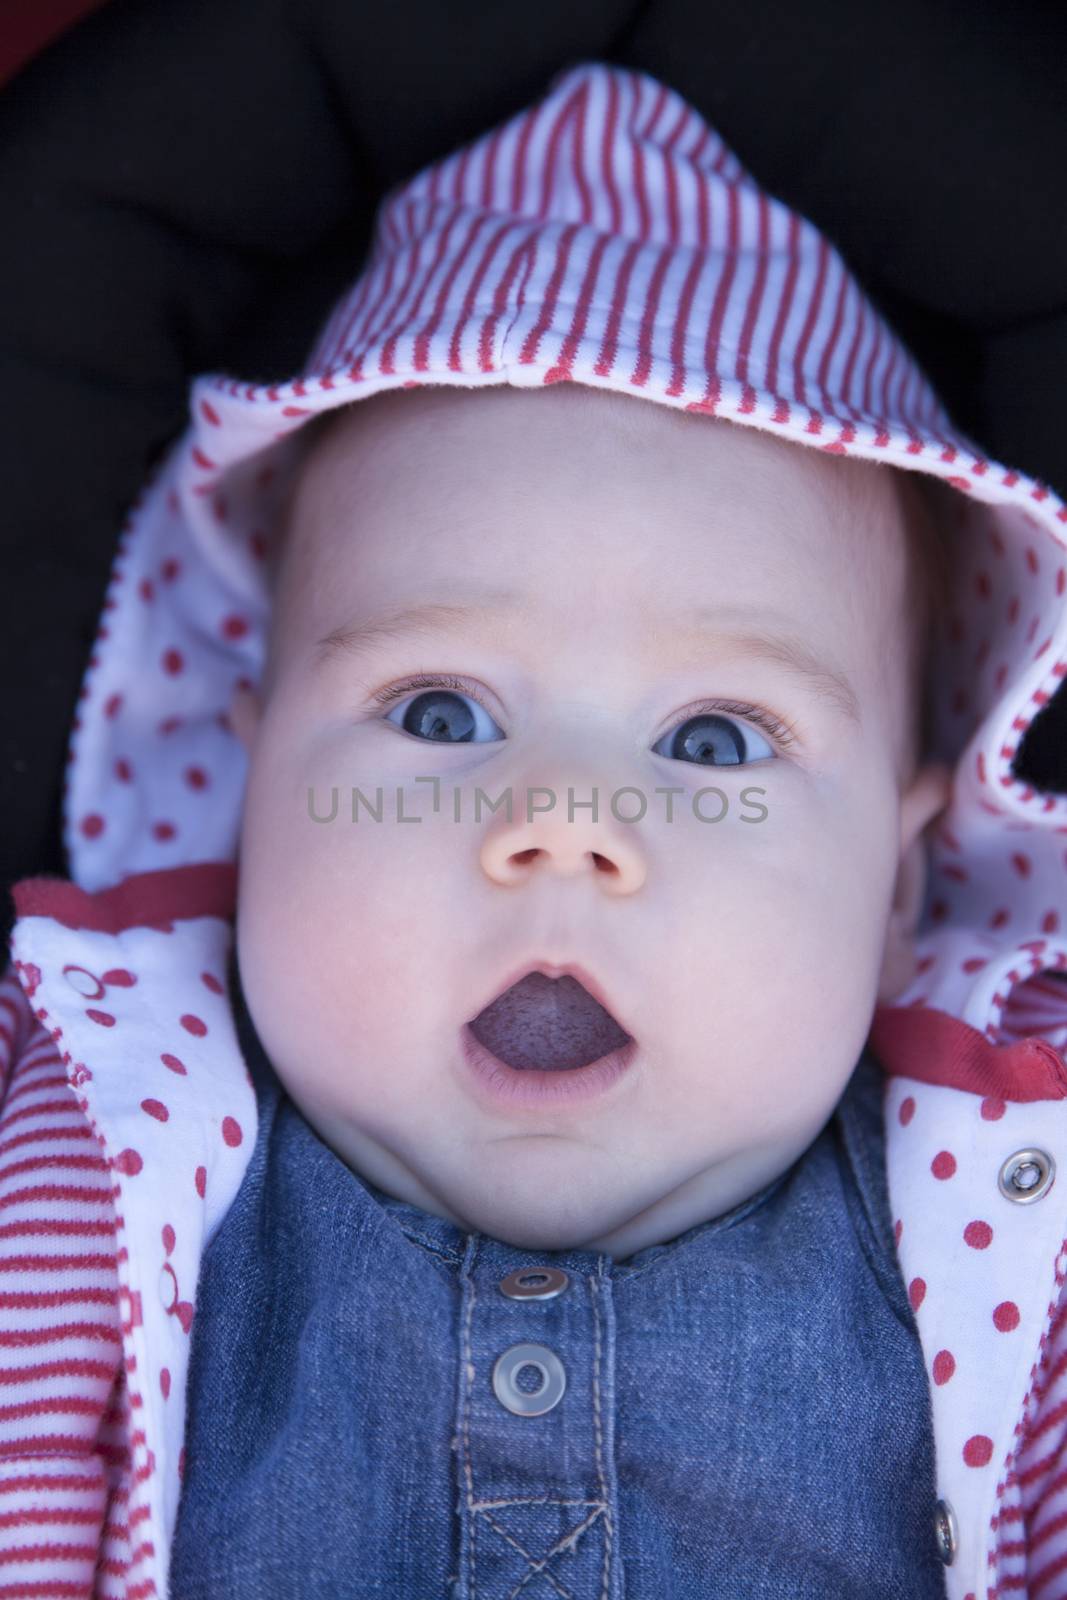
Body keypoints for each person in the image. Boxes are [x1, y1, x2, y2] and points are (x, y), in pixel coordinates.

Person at [2, 58, 1066, 1599]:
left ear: (899, 885)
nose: (564, 825)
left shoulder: (1011, 1227)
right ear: (248, 788)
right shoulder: (81, 1157)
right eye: (440, 714)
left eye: (712, 741)